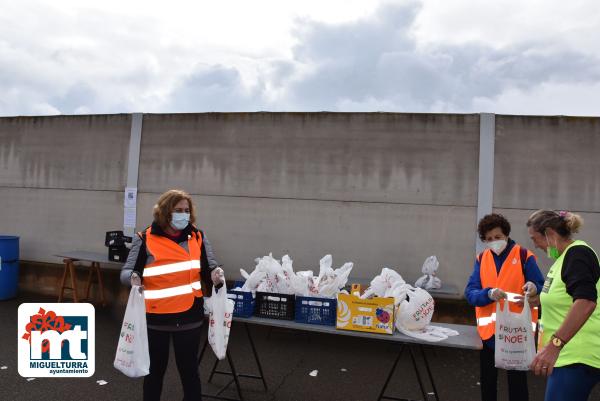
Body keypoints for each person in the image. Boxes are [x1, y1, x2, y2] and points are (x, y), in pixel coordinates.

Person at [120, 189, 224, 401]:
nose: (183, 214)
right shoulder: (145, 238)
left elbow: (209, 267)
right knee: (154, 373)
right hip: (156, 319)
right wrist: (132, 278)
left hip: (189, 318)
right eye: (178, 210)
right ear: (166, 211)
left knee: (190, 373)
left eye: (187, 210)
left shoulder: (198, 237)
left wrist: (215, 274)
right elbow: (126, 272)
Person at [465, 213, 544, 401]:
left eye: (498, 237)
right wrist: (488, 294)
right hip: (489, 334)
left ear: (506, 235)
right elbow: (470, 293)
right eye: (489, 239)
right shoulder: (482, 258)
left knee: (517, 384)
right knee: (488, 384)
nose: (494, 242)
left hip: (515, 332)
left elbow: (541, 287)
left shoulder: (524, 256)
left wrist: (534, 289)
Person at [526, 210, 600, 401]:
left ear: (550, 233)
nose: (534, 244)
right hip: (568, 356)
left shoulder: (577, 255)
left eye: (535, 239)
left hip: (577, 355)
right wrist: (536, 298)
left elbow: (586, 302)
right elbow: (566, 298)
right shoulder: (563, 259)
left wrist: (555, 345)